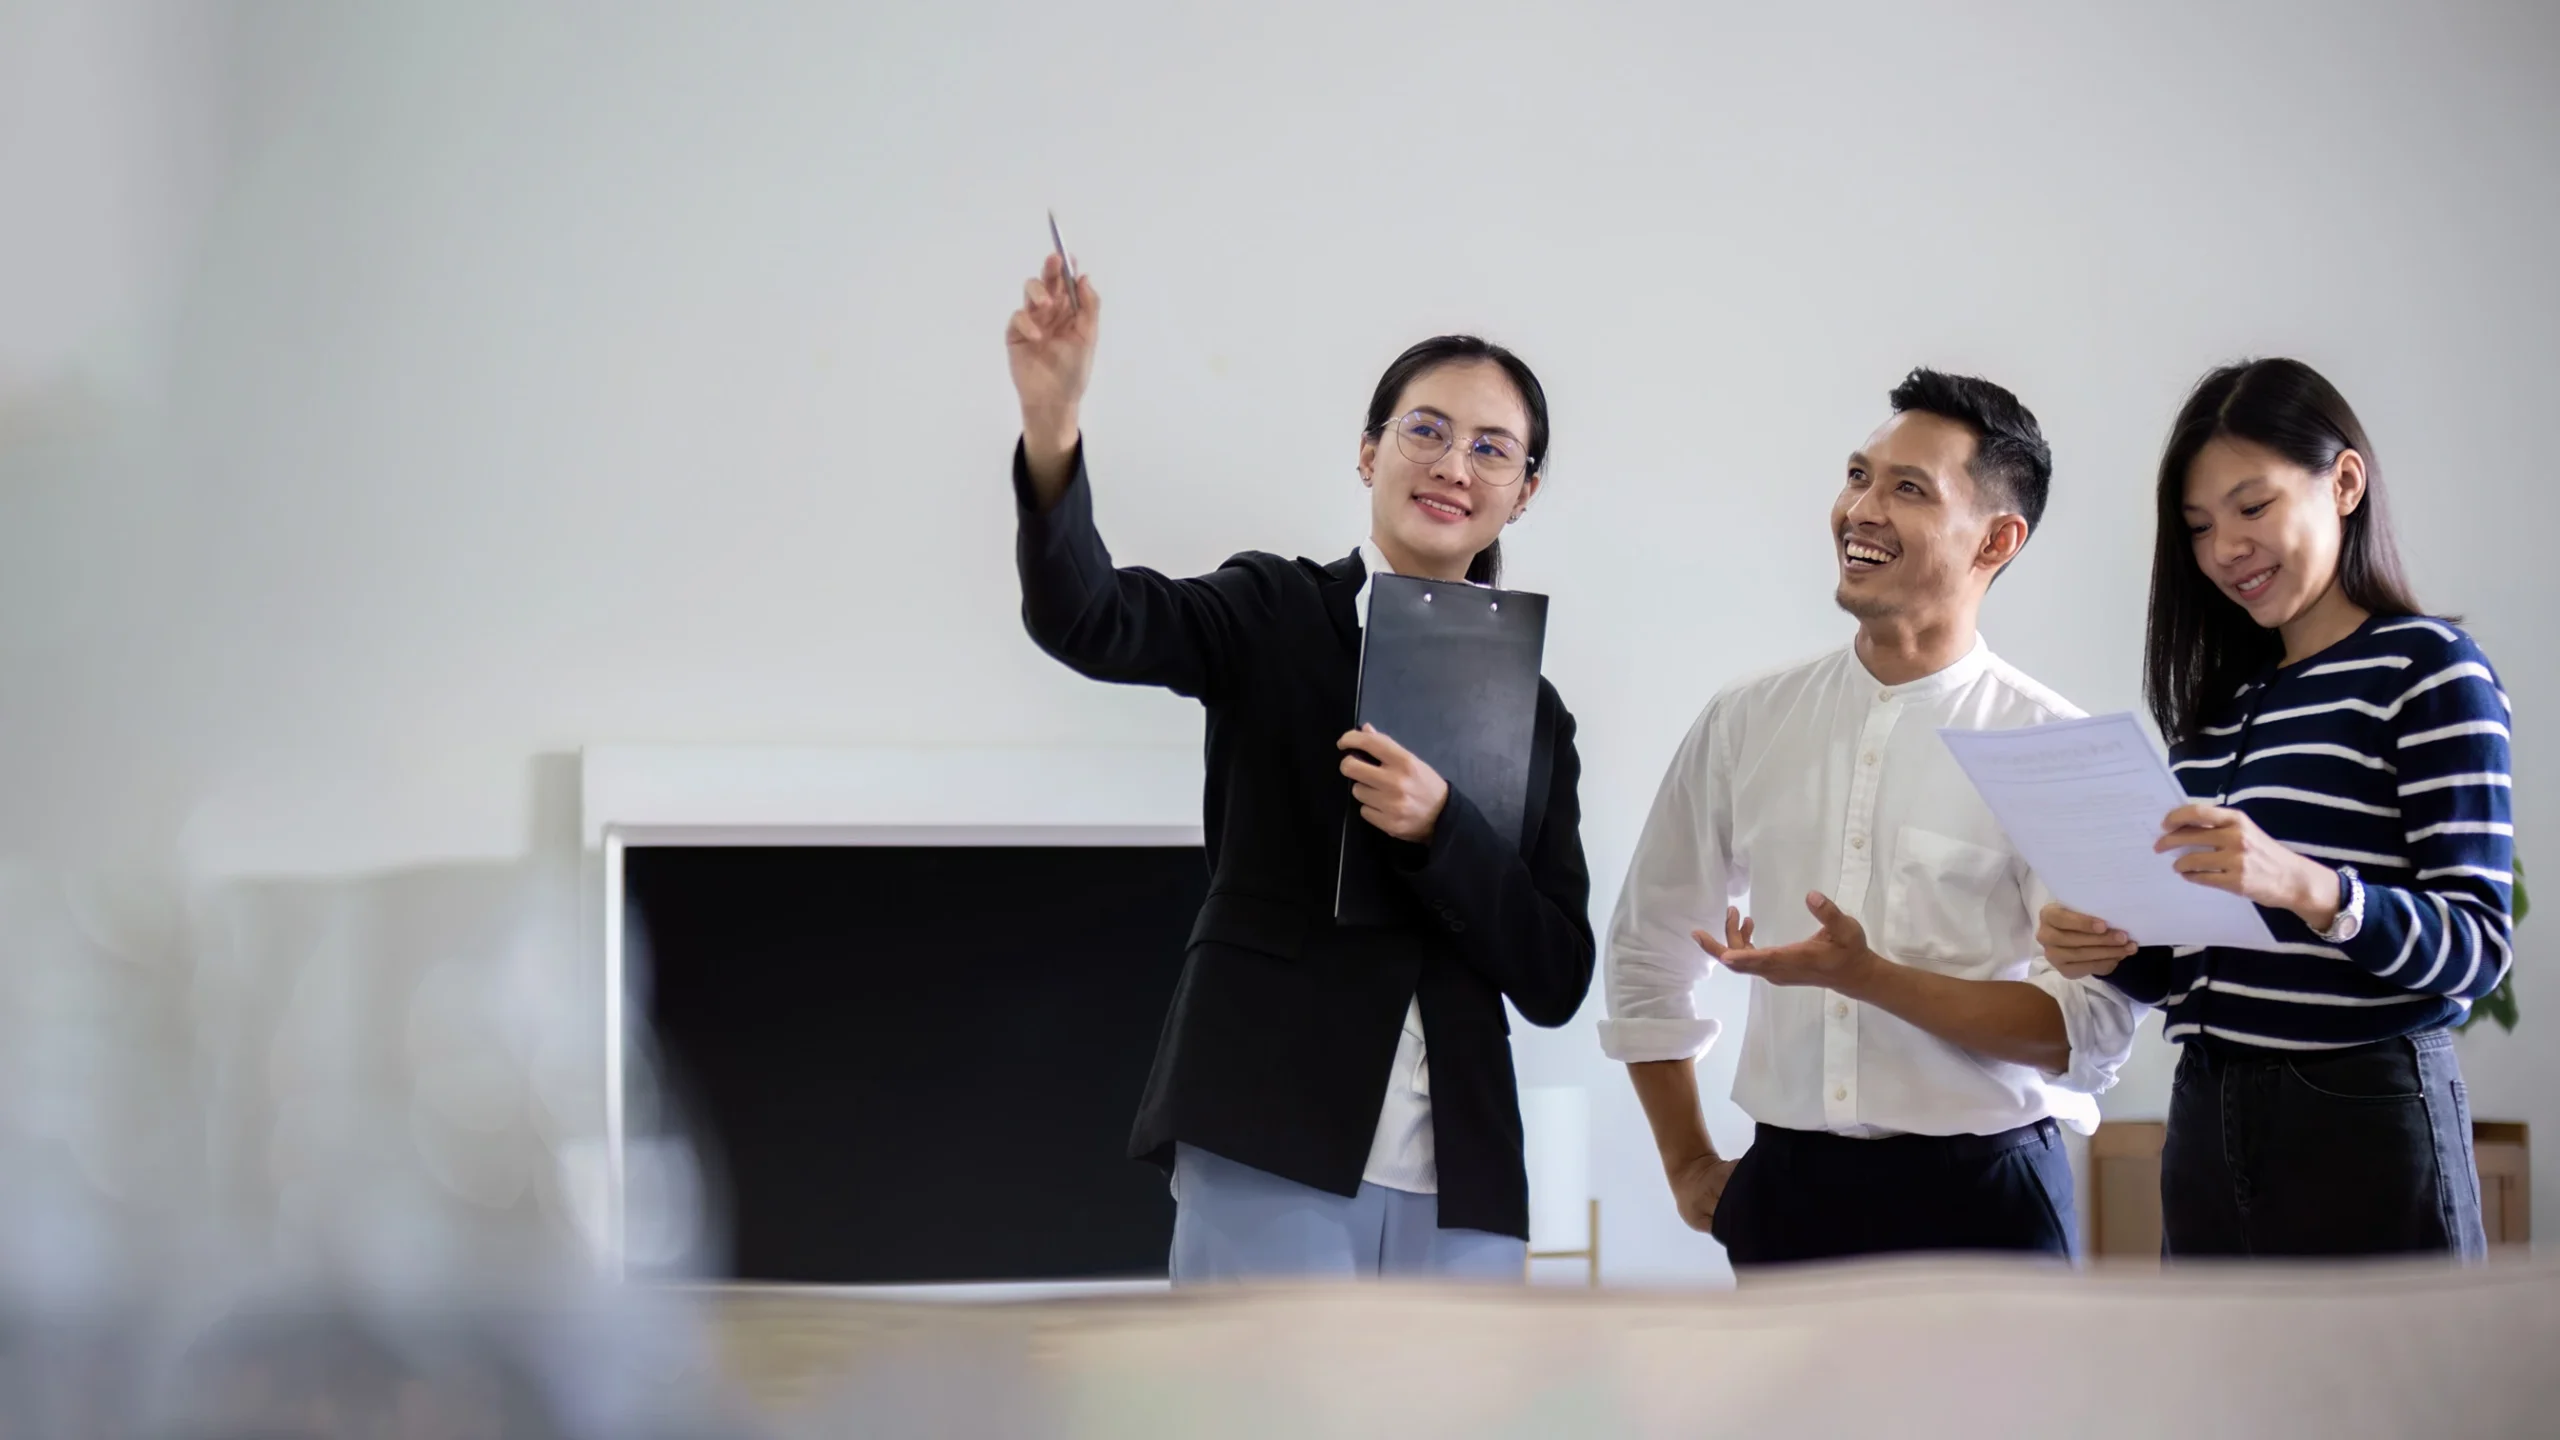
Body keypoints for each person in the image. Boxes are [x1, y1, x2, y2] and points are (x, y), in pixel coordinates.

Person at [1003, 252, 1594, 1281]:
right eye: (1425, 430)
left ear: (1524, 491)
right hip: (1264, 1128)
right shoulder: (1271, 610)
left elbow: (1555, 975)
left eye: (1491, 448)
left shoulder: (1535, 714)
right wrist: (1052, 424)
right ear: (1369, 453)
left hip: (1465, 1180)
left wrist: (1443, 830)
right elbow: (1088, 617)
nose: (1454, 465)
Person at [1604, 370, 2142, 1268]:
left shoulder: (2056, 747)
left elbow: (2086, 1033)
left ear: (1997, 540)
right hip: (1788, 1196)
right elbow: (1645, 949)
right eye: (1858, 476)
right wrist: (1687, 1162)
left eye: (1908, 489)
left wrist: (1868, 977)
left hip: (1987, 1205)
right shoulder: (1748, 720)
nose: (1861, 510)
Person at [2038, 357, 2510, 1258]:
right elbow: (2197, 968)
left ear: (2344, 482)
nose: (2225, 549)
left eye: (2252, 508)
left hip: (2363, 1110)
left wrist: (2310, 887)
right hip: (2207, 1110)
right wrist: (2111, 948)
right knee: (2214, 1359)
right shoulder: (2218, 710)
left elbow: (2477, 948)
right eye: (2199, 527)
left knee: (2394, 1360)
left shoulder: (2428, 668)